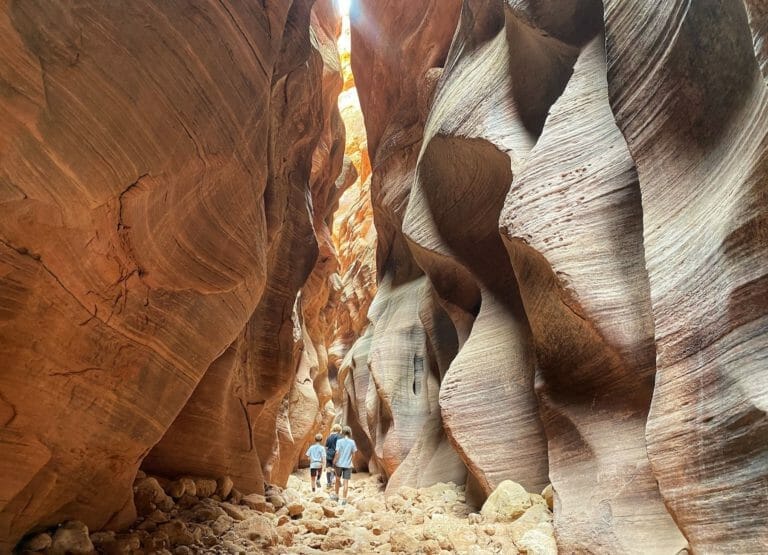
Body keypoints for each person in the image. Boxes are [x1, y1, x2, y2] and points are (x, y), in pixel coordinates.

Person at [331, 426, 357, 505]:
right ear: (350, 433)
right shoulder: (352, 442)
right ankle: (344, 500)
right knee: (346, 482)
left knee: (337, 480)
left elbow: (337, 453)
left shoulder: (339, 441)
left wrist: (334, 461)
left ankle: (336, 496)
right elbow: (354, 454)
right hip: (348, 465)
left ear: (342, 432)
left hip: (339, 464)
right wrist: (352, 462)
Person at [324, 424, 342, 489]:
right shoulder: (339, 436)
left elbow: (326, 447)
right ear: (339, 429)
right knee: (336, 469)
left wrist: (327, 453)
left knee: (328, 469)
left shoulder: (329, 437)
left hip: (328, 454)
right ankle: (337, 482)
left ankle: (329, 483)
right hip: (335, 454)